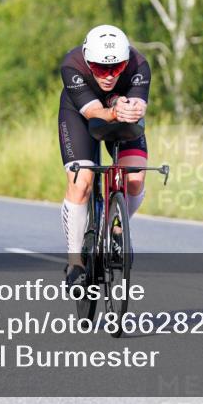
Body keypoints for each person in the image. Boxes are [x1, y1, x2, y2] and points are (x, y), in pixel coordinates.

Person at [58, 24, 151, 289]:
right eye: (100, 68)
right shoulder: (72, 65)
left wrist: (132, 109)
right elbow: (93, 113)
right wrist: (114, 110)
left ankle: (117, 228)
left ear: (126, 61)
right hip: (80, 114)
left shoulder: (139, 64)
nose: (109, 76)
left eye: (117, 68)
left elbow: (139, 104)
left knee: (135, 178)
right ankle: (75, 262)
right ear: (88, 60)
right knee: (82, 181)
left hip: (119, 114)